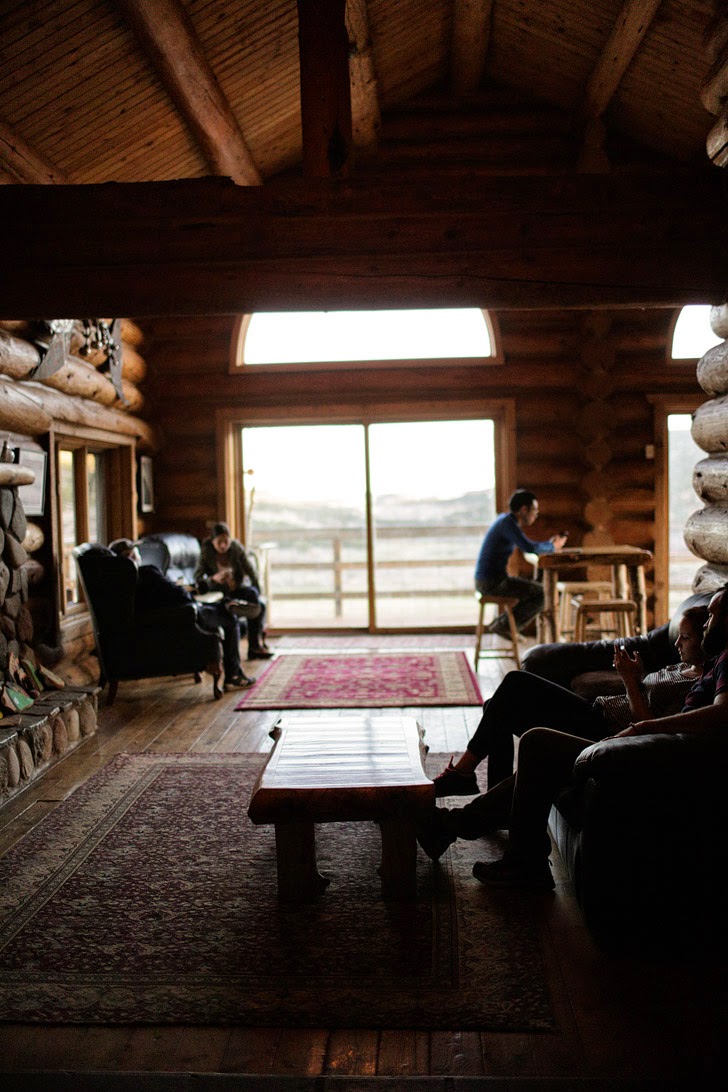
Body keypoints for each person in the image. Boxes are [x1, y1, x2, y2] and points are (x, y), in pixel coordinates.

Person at [418, 587, 728, 891]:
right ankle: (456, 816)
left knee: (533, 734)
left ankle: (464, 816)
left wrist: (633, 689)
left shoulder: (723, 662)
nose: (703, 625)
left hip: (614, 735)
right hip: (603, 715)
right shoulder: (699, 665)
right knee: (510, 694)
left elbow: (666, 721)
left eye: (710, 617)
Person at [432, 604, 709, 798]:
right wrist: (635, 677)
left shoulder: (696, 686)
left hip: (604, 730)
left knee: (514, 684)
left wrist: (628, 680)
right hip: (597, 709)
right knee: (498, 706)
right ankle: (492, 798)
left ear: (706, 640)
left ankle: (464, 774)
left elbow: (647, 726)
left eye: (685, 637)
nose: (677, 644)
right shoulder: (680, 667)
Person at [109, 538, 255, 691]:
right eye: (130, 555)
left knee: (221, 607)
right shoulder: (147, 572)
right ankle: (233, 676)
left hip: (167, 618)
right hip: (185, 616)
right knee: (230, 617)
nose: (134, 557)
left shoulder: (119, 588)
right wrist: (190, 595)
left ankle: (226, 604)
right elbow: (177, 594)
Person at [475, 489, 567, 638]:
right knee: (544, 594)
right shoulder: (507, 524)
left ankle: (504, 625)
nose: (536, 514)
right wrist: (552, 547)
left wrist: (549, 545)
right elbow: (529, 547)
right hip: (492, 583)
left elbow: (528, 546)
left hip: (491, 580)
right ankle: (504, 626)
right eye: (534, 510)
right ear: (524, 509)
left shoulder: (505, 521)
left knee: (539, 590)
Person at [194, 522, 272, 661]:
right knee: (255, 605)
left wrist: (256, 587)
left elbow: (250, 570)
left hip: (236, 588)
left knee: (255, 597)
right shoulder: (206, 553)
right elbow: (197, 578)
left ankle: (254, 646)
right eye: (219, 542)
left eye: (226, 541)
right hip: (217, 593)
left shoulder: (236, 549)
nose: (223, 545)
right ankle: (239, 612)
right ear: (212, 542)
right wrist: (214, 579)